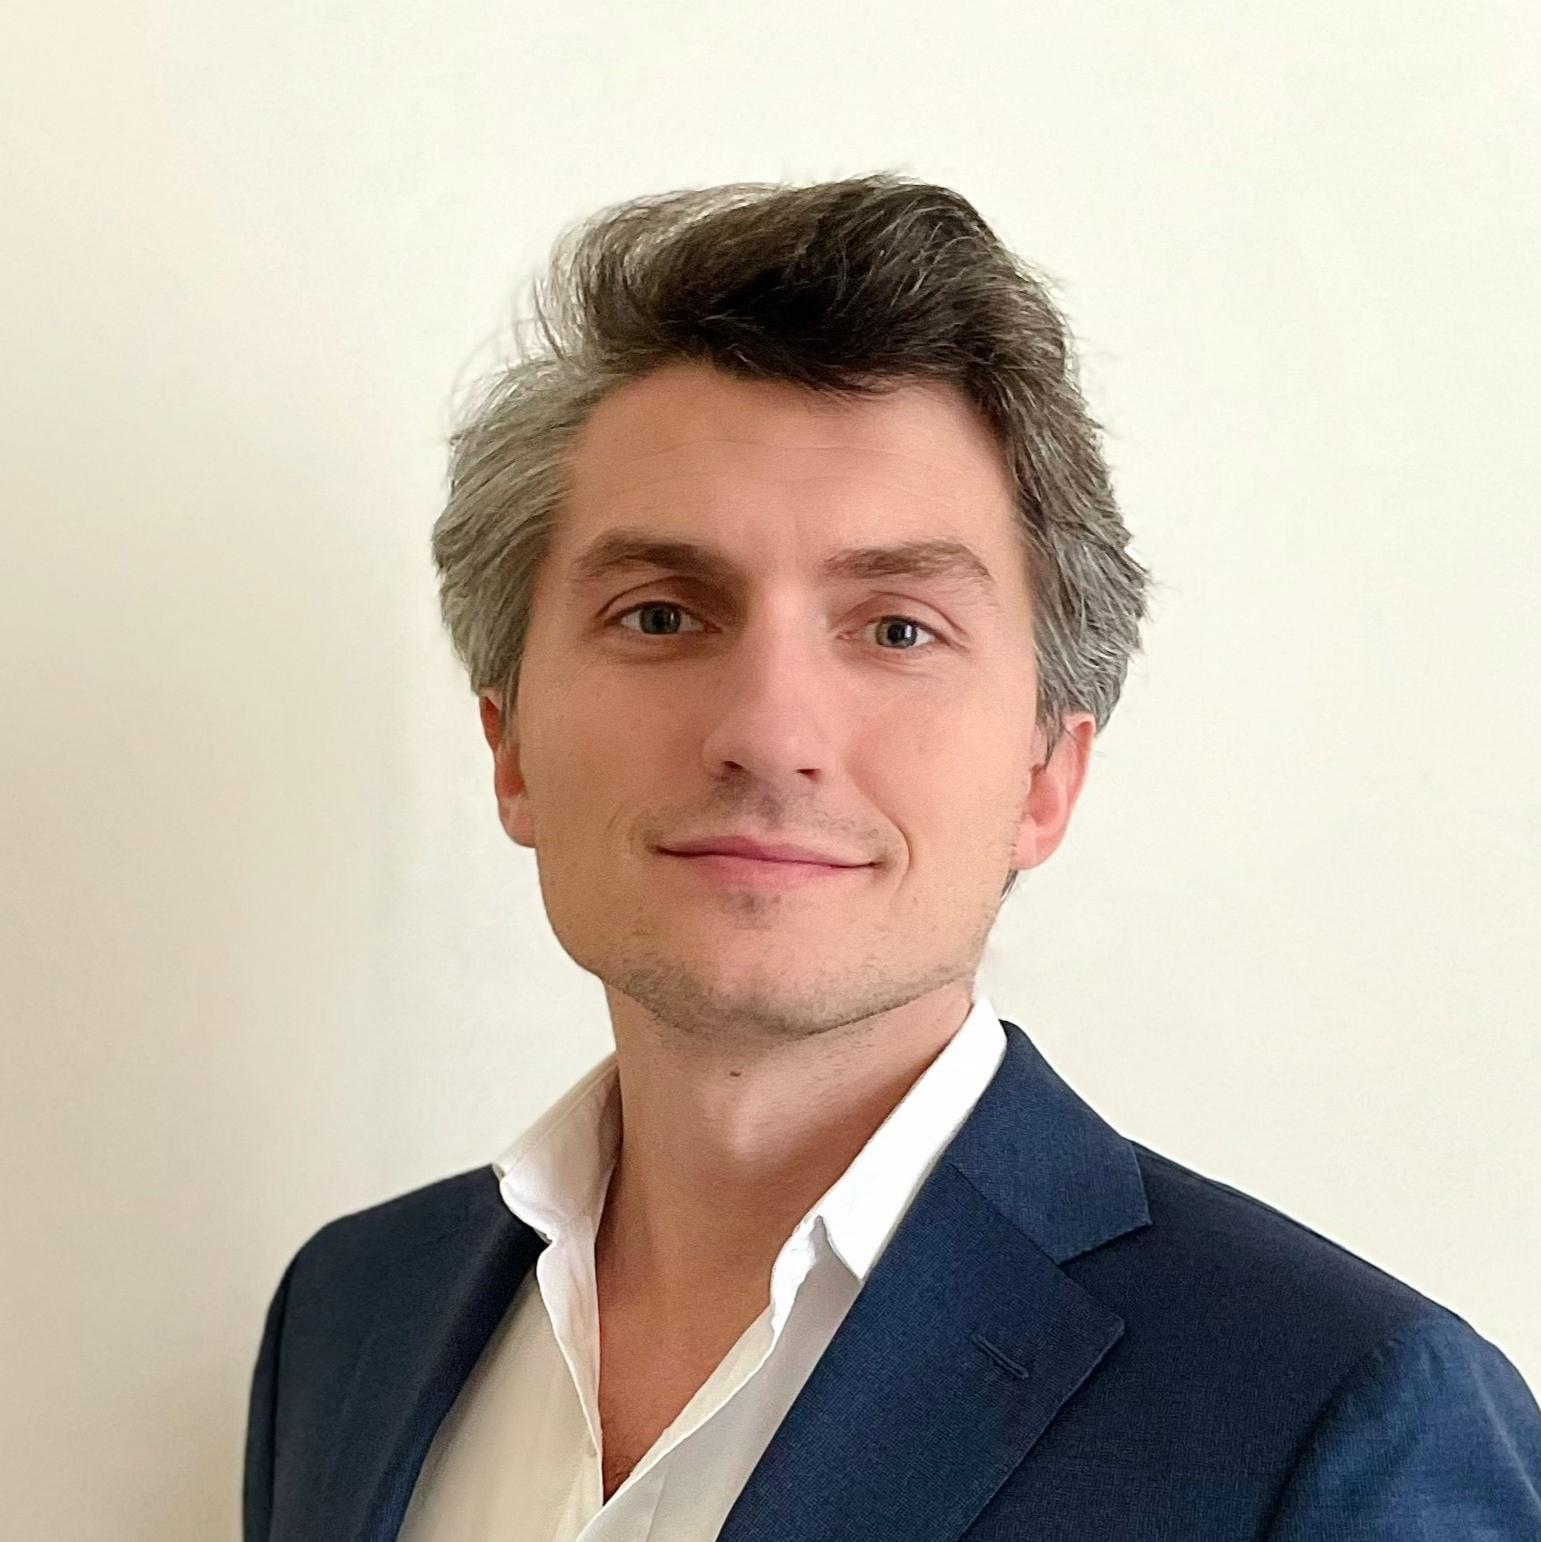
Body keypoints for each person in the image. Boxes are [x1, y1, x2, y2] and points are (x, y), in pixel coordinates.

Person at [242, 172, 1541, 1541]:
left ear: (1046, 777)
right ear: (510, 746)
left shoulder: (1336, 1419)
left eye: (898, 629)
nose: (768, 734)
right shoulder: (349, 1316)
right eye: (662, 615)